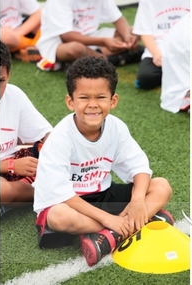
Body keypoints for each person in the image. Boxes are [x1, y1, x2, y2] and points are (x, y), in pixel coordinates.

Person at [32, 56, 173, 267]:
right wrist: (108, 218)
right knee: (60, 217)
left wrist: (136, 201)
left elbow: (139, 168)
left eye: (100, 97)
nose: (92, 105)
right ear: (70, 102)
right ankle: (126, 226)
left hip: (102, 194)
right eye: (83, 98)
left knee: (161, 187)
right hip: (66, 202)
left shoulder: (116, 128)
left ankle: (110, 235)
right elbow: (62, 194)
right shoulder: (60, 137)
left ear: (112, 101)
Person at [0, 42, 52, 215]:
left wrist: (54, 153)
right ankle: (51, 195)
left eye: (2, 81)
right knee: (1, 191)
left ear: (9, 74)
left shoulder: (13, 94)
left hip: (16, 172)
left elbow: (47, 135)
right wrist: (10, 166)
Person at [35, 0, 142, 72]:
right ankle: (110, 61)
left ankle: (86, 60)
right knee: (76, 49)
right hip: (57, 43)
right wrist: (104, 42)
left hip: (91, 36)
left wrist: (128, 38)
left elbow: (118, 18)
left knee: (135, 31)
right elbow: (66, 36)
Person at [131, 0, 190, 91]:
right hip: (159, 48)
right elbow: (144, 32)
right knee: (146, 78)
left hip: (184, 48)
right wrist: (156, 54)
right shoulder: (147, 2)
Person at [158, 11, 192, 113]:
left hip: (177, 42)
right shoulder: (184, 32)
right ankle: (186, 93)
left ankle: (187, 93)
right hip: (177, 43)